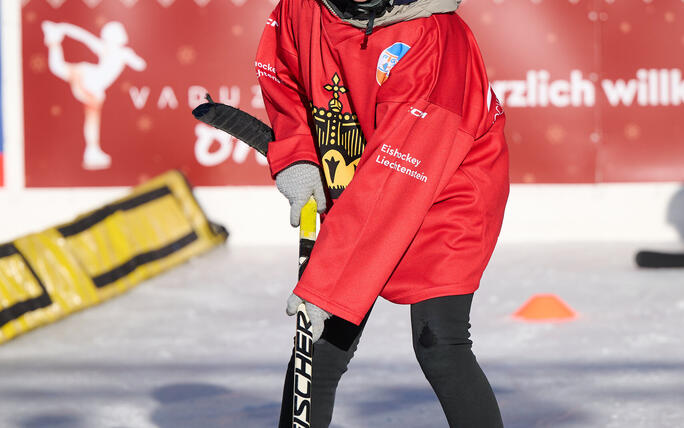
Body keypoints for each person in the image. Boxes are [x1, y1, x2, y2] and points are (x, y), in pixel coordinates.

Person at [255, 0, 509, 425]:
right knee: (318, 351)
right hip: (363, 171)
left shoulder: (435, 39)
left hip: (449, 184)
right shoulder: (302, 7)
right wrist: (298, 154)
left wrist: (327, 286)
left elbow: (396, 180)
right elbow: (283, 71)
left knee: (440, 345)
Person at [42, 21, 146, 170]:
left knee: (91, 117)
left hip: (94, 86)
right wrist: (63, 27)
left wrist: (130, 57)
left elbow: (140, 65)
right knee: (59, 68)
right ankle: (53, 39)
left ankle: (92, 150)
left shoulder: (121, 52)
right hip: (89, 79)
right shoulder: (108, 49)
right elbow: (83, 36)